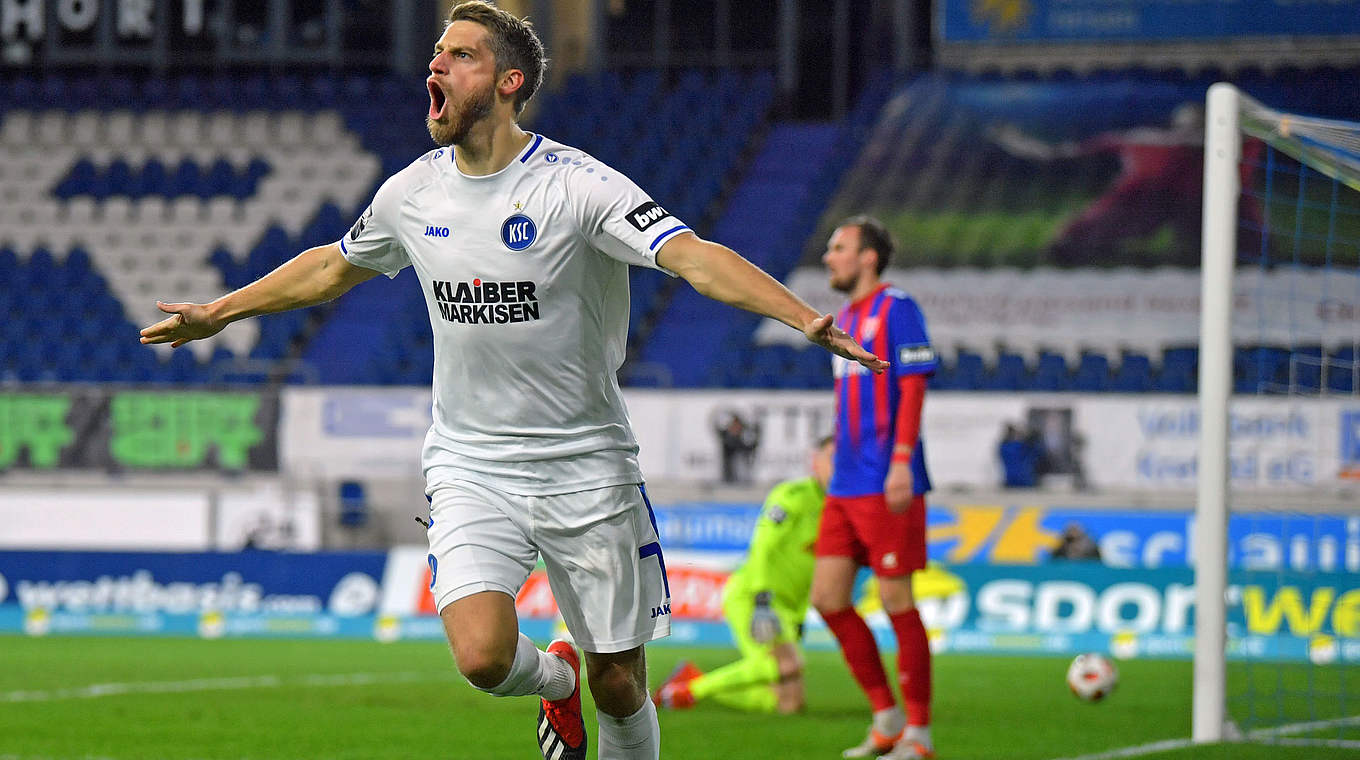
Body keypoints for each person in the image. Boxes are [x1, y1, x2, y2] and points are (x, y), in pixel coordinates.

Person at [138, 4, 886, 759]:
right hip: (471, 462)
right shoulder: (412, 192)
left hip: (586, 464)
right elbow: (334, 264)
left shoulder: (578, 186)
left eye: (458, 56)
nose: (434, 66)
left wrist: (801, 317)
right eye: (435, 53)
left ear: (507, 82)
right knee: (484, 659)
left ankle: (587, 685)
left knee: (621, 681)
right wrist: (222, 312)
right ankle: (554, 684)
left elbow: (691, 255)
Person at [811, 215, 937, 760]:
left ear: (867, 257)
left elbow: (911, 387)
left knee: (894, 597)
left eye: (838, 248)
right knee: (829, 598)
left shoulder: (896, 307)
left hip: (886, 479)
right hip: (845, 483)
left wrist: (903, 461)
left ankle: (919, 733)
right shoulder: (849, 317)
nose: (827, 257)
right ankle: (885, 718)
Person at [652, 436, 834, 714]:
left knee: (789, 704)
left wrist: (797, 617)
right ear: (815, 462)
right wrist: (762, 599)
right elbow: (763, 546)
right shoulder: (793, 496)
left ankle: (692, 680)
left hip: (787, 607)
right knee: (783, 664)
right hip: (754, 597)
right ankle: (684, 693)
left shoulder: (840, 508)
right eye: (832, 459)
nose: (837, 467)